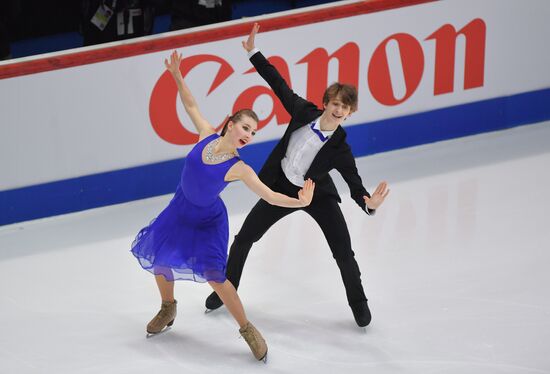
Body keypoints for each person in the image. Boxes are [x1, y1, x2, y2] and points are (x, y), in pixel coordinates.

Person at [130, 50, 315, 361]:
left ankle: (247, 329)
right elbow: (191, 104)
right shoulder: (206, 135)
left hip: (207, 222)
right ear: (231, 125)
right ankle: (167, 308)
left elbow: (268, 195)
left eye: (254, 133)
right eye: (245, 128)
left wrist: (299, 201)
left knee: (217, 277)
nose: (249, 135)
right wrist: (177, 75)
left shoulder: (239, 167)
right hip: (179, 210)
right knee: (160, 259)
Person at [205, 23, 390, 328]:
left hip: (316, 195)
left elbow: (354, 183)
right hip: (281, 190)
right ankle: (228, 292)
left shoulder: (341, 147)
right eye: (334, 104)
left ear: (350, 113)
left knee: (343, 252)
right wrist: (253, 52)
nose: (338, 110)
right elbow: (277, 83)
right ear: (326, 103)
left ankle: (358, 303)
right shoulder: (304, 112)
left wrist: (368, 204)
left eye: (345, 107)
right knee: (244, 239)